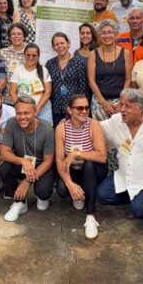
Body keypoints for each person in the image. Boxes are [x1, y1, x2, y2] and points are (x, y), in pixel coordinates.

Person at [96, 89, 143, 219]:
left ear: (141, 108)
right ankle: (134, 199)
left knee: (139, 211)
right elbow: (95, 127)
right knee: (102, 195)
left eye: (128, 106)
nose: (122, 109)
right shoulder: (116, 121)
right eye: (121, 104)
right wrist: (68, 124)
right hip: (123, 177)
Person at [54, 95, 107, 239]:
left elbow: (102, 156)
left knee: (89, 164)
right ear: (69, 110)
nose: (84, 111)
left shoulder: (93, 124)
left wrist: (76, 153)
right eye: (79, 108)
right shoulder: (61, 128)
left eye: (86, 107)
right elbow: (59, 159)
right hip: (74, 171)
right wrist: (69, 183)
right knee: (62, 189)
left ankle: (90, 216)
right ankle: (78, 193)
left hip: (94, 171)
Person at [0, 96, 56, 222]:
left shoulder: (47, 129)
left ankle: (41, 195)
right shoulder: (12, 123)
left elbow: (48, 161)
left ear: (35, 112)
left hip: (41, 166)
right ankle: (19, 202)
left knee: (43, 193)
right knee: (4, 167)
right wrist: (23, 161)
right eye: (19, 113)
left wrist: (26, 182)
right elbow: (4, 153)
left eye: (26, 113)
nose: (22, 117)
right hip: (23, 164)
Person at [88, 20, 132, 120]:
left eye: (109, 32)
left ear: (116, 34)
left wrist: (122, 102)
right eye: (103, 33)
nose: (106, 36)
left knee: (120, 133)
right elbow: (91, 81)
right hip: (99, 102)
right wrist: (103, 103)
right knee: (101, 133)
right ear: (99, 36)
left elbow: (128, 79)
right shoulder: (93, 54)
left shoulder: (126, 53)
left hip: (121, 102)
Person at [46, 32, 89, 126]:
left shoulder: (79, 63)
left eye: (62, 43)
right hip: (56, 108)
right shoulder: (50, 64)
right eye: (56, 44)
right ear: (53, 47)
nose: (60, 46)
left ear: (68, 43)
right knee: (58, 135)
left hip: (75, 109)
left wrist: (82, 108)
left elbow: (84, 88)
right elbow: (48, 87)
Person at [9, 43, 52, 121]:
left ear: (38, 56)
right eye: (28, 55)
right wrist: (20, 107)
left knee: (44, 131)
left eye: (34, 55)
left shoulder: (43, 70)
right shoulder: (18, 70)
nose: (31, 57)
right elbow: (12, 92)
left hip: (42, 109)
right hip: (24, 111)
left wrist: (37, 108)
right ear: (24, 55)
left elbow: (47, 92)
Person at [0, 23, 29, 105]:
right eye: (13, 34)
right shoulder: (2, 53)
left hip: (27, 99)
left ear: (24, 36)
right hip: (8, 99)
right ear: (9, 37)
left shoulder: (30, 51)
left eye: (19, 34)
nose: (16, 36)